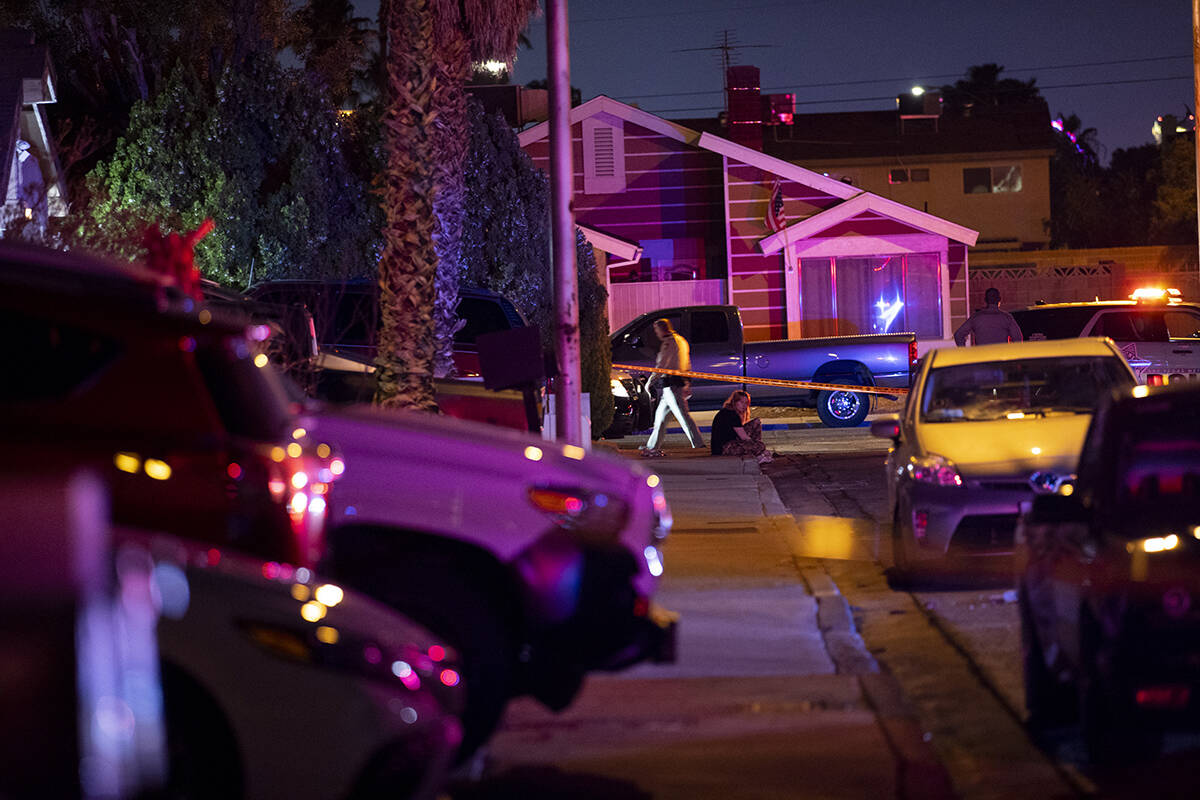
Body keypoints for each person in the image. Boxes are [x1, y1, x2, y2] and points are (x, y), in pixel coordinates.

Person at [641, 318, 704, 456]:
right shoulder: (681, 340)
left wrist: (650, 382)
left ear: (662, 329)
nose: (656, 333)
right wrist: (688, 383)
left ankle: (699, 445)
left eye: (656, 330)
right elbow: (687, 364)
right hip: (677, 384)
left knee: (683, 417)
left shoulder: (668, 343)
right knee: (660, 418)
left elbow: (661, 366)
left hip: (672, 386)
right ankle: (652, 446)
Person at [710, 389, 772, 464]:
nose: (744, 405)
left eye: (746, 403)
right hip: (723, 449)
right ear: (735, 402)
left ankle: (757, 454)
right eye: (741, 402)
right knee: (760, 446)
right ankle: (758, 456)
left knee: (756, 422)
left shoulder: (731, 412)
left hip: (730, 443)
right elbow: (744, 438)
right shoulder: (731, 414)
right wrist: (760, 448)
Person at [953, 287, 1023, 346]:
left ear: (985, 300)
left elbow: (958, 335)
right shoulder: (1006, 317)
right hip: (1001, 358)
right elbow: (1018, 338)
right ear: (999, 299)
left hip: (982, 359)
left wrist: (965, 353)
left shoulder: (976, 317)